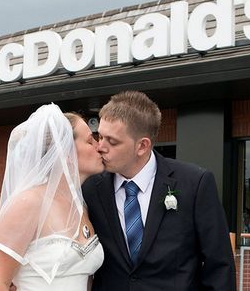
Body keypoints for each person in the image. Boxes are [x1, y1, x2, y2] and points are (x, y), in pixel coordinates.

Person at [82, 91, 236, 291]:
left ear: (142, 146)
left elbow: (220, 266)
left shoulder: (194, 183)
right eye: (99, 136)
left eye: (112, 141)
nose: (100, 147)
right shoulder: (91, 188)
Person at [0, 104, 104, 291]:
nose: (100, 146)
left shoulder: (81, 205)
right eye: (90, 141)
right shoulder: (29, 202)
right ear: (66, 152)